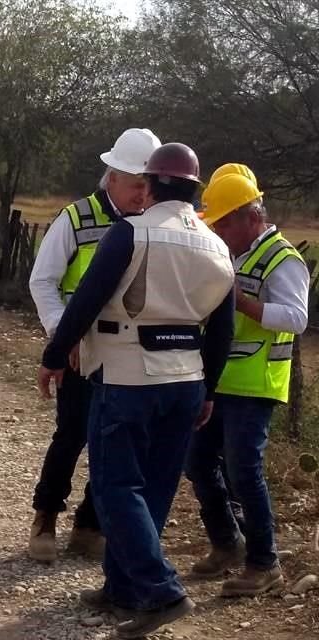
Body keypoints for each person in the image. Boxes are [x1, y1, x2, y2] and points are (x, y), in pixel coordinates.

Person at [38, 143, 235, 638]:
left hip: (127, 373)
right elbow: (223, 329)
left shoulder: (130, 231)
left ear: (148, 185)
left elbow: (86, 300)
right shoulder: (216, 245)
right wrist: (209, 388)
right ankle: (123, 587)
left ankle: (161, 591)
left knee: (114, 486)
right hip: (186, 379)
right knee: (155, 487)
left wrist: (54, 355)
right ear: (195, 191)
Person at [26, 127, 161, 562]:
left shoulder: (153, 224)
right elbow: (43, 281)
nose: (144, 194)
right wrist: (59, 334)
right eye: (137, 184)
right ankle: (45, 516)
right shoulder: (77, 218)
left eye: (149, 185)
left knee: (118, 442)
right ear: (113, 176)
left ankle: (89, 524)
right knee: (72, 434)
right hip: (80, 352)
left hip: (130, 355)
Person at [185, 167, 309, 596]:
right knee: (197, 460)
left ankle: (263, 563)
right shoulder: (232, 253)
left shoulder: (282, 258)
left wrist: (239, 300)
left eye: (221, 222)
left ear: (248, 217)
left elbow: (296, 319)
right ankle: (227, 542)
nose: (217, 229)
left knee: (243, 471)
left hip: (255, 385)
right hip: (219, 379)